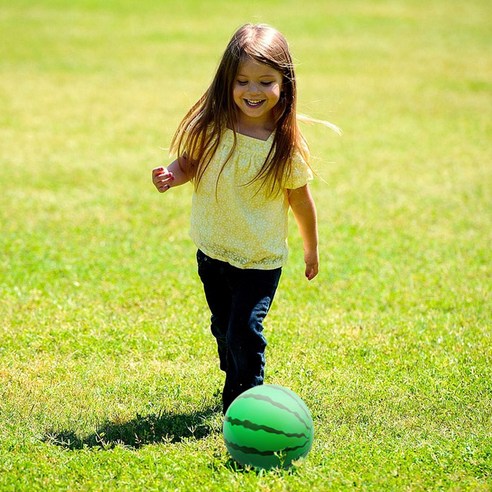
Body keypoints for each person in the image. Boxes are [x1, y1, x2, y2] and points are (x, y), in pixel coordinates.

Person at [152, 23, 335, 413]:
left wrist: (311, 250)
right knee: (223, 327)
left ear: (284, 84)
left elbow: (301, 202)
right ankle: (234, 369)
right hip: (213, 250)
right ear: (227, 81)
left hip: (258, 259)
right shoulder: (212, 128)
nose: (253, 91)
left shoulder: (283, 148)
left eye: (266, 81)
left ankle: (244, 404)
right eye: (243, 81)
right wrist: (172, 174)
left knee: (244, 331)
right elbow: (189, 163)